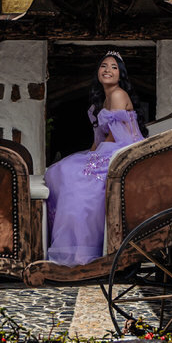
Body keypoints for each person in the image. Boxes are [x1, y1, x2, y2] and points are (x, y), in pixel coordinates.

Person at [44, 50, 146, 265]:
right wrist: (89, 155)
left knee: (78, 183)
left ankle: (81, 251)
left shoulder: (118, 95)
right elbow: (98, 138)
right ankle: (69, 246)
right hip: (109, 149)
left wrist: (92, 160)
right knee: (62, 169)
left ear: (121, 75)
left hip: (123, 151)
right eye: (104, 66)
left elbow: (115, 135)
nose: (108, 70)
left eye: (114, 67)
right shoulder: (101, 100)